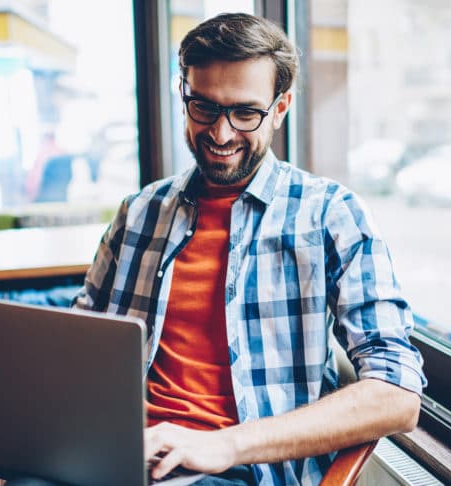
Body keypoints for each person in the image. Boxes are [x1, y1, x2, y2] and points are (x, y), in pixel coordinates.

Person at [74, 12, 426, 486]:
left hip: (239, 470)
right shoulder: (138, 212)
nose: (220, 135)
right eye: (204, 107)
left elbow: (397, 396)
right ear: (185, 96)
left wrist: (223, 444)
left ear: (280, 109)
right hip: (115, 455)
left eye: (245, 113)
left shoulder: (331, 214)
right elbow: (76, 345)